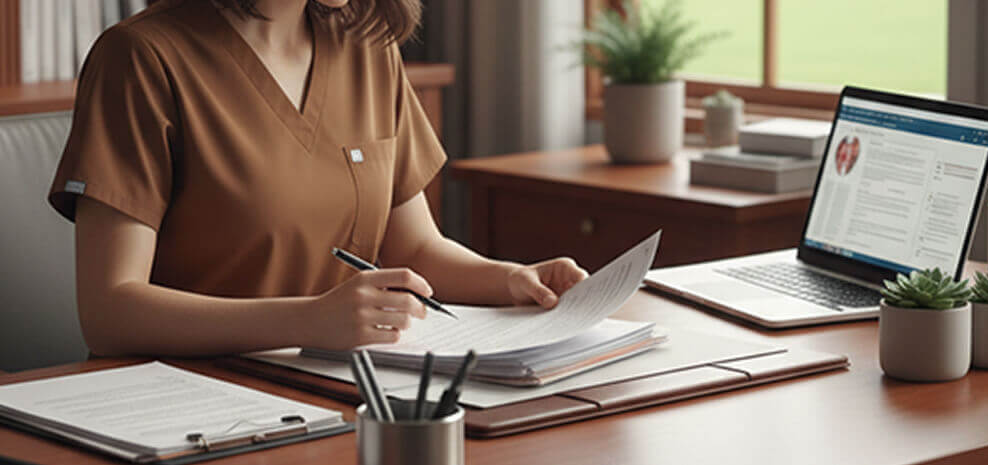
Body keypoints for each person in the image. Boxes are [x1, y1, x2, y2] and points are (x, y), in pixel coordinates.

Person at [48, 0, 588, 357]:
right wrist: (309, 321)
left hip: (341, 392)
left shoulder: (368, 49)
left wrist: (510, 280)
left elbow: (416, 248)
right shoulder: (141, 58)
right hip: (189, 402)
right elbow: (109, 311)